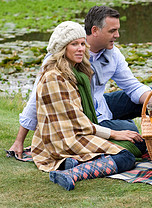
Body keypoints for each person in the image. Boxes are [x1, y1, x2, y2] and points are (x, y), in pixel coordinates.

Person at [9, 6, 152, 158]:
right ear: (95, 30)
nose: (117, 35)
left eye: (117, 30)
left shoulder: (113, 54)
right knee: (135, 136)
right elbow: (36, 99)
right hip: (84, 116)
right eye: (112, 31)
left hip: (101, 105)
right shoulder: (62, 59)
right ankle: (119, 136)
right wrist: (19, 141)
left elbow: (132, 85)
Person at [32, 21, 137, 190]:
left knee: (134, 143)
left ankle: (70, 163)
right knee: (126, 157)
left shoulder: (75, 73)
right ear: (62, 48)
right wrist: (114, 134)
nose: (81, 48)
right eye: (74, 44)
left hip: (74, 134)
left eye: (82, 43)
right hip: (64, 139)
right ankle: (71, 174)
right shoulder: (54, 77)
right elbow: (78, 121)